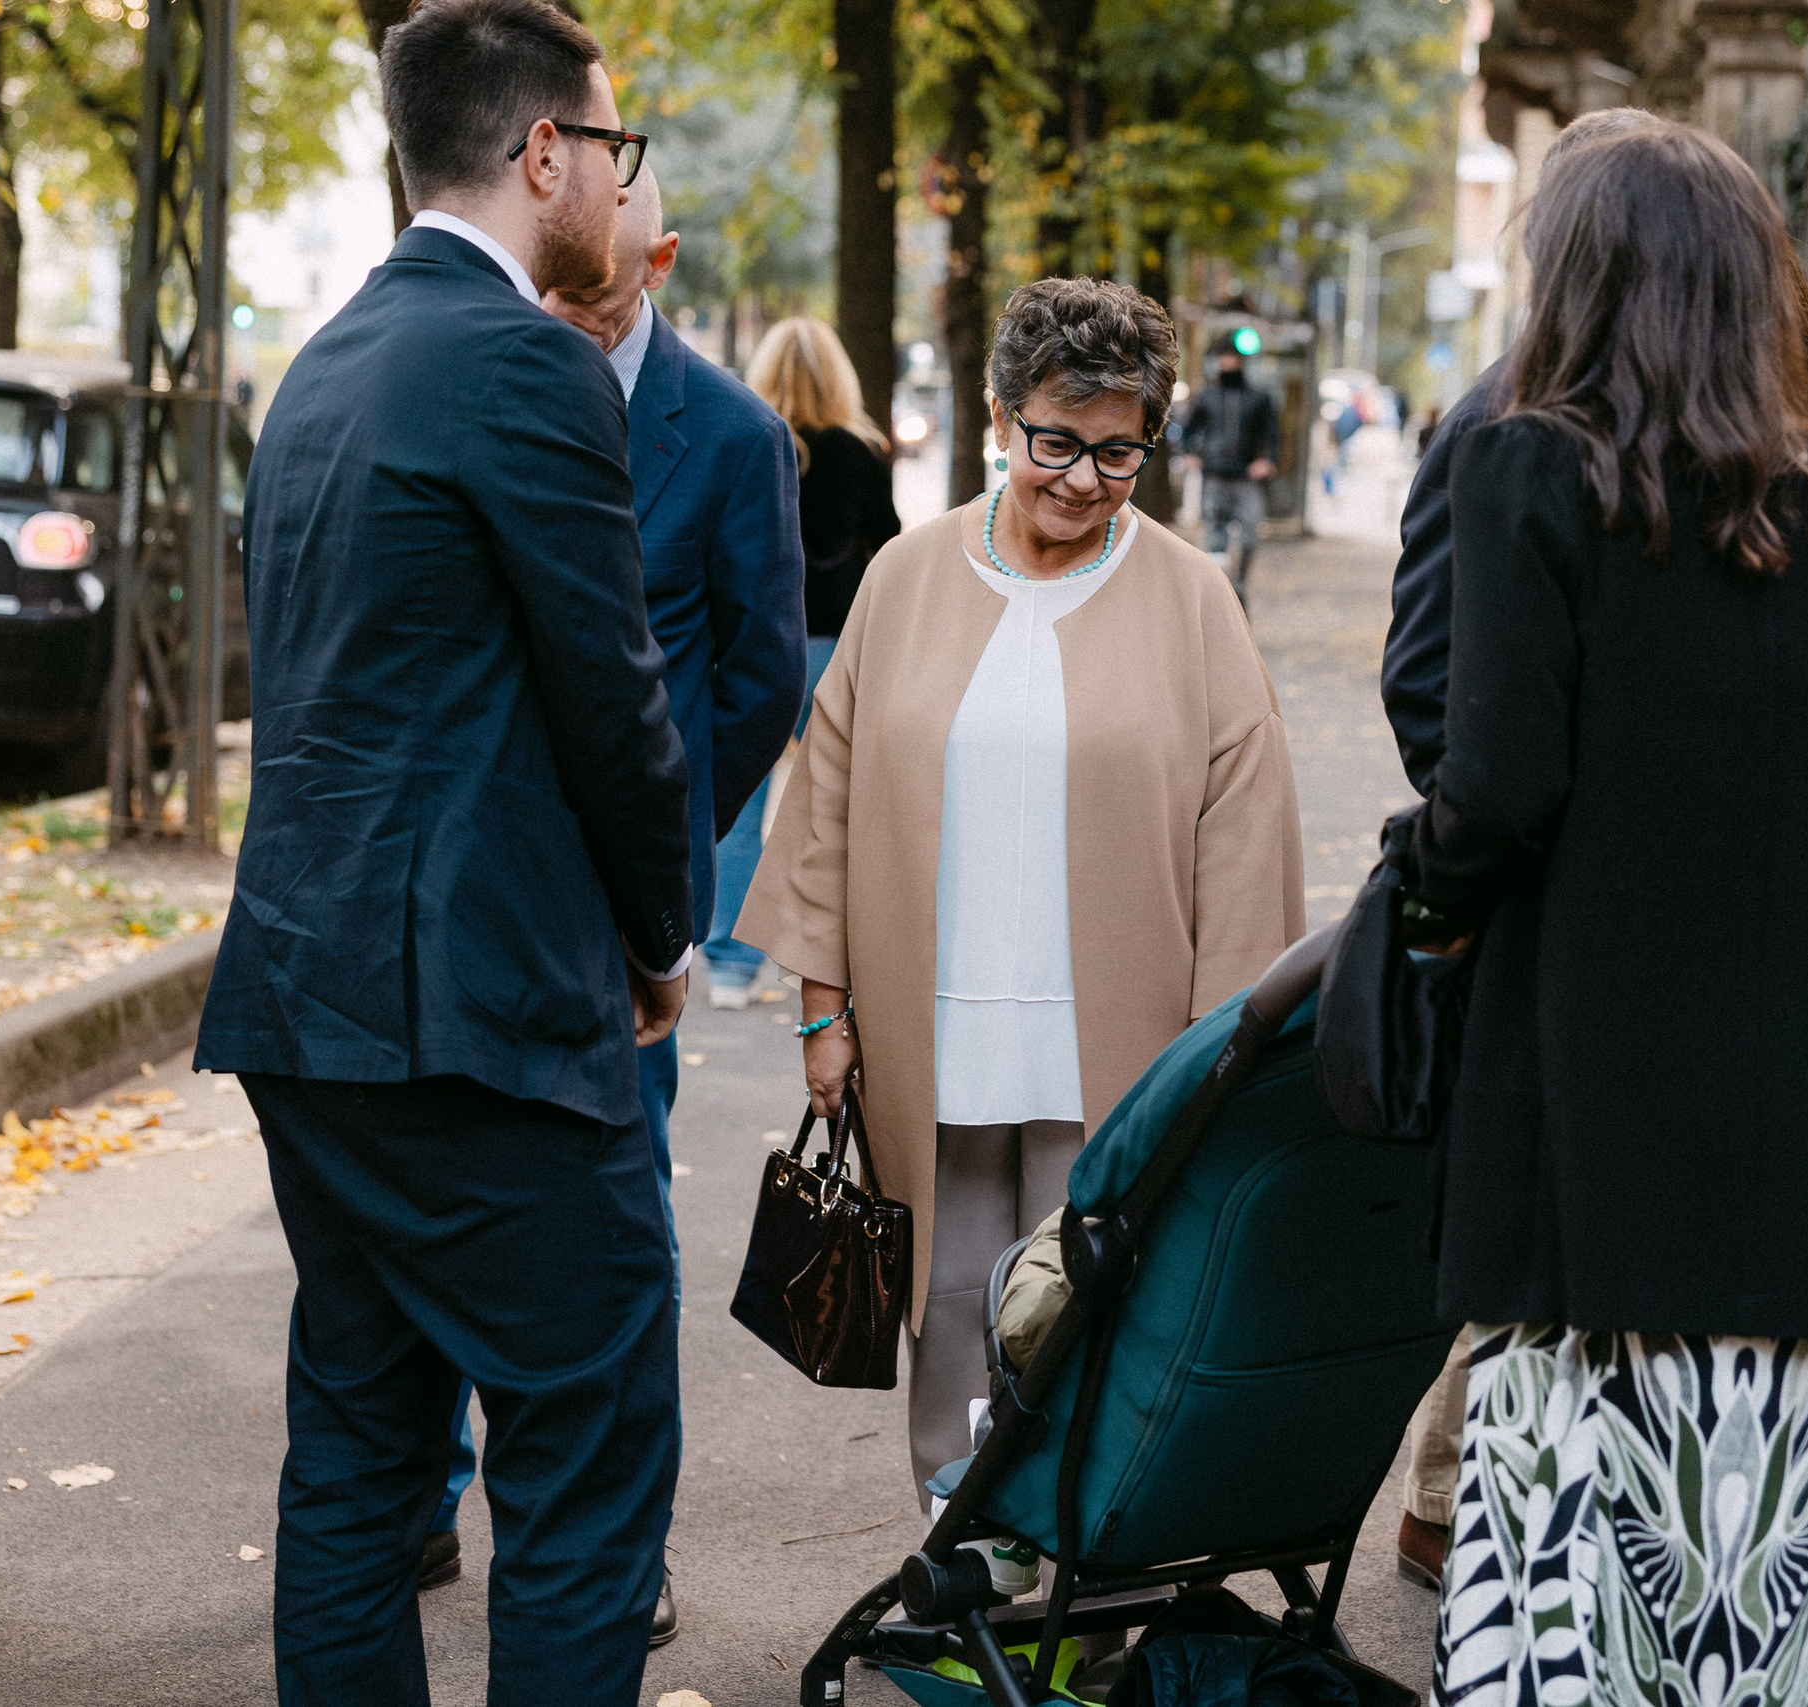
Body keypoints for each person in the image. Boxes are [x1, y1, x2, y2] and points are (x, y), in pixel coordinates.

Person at [1401, 123, 1808, 1705]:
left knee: (1578, 1599)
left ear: (1584, 278)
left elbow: (1498, 781)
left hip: (1595, 1123)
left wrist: (1426, 879)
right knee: (1756, 1601)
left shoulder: (1538, 465)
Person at [193, 1, 691, 1698]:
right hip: (476, 1014)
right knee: (590, 1445)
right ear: (543, 151)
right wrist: (661, 940)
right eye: (615, 148)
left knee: (356, 1444)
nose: (621, 183)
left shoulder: (324, 361)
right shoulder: (524, 361)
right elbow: (613, 698)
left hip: (307, 999)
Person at [734, 278, 1305, 1511]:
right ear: (999, 420)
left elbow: (1244, 841)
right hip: (925, 1020)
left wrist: (1222, 1059)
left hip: (1117, 1035)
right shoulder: (906, 576)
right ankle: (956, 1556)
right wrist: (822, 1012)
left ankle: (1065, 1569)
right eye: (1057, 440)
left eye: (1120, 449)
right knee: (947, 1302)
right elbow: (828, 796)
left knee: (1093, 1308)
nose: (1086, 478)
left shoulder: (1194, 599)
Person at [411, 165, 808, 1647]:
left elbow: (762, 677)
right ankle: (422, 1490)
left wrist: (667, 861)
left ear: (660, 250)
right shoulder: (482, 377)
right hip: (466, 887)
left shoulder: (732, 434)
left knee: (610, 1224)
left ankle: (603, 1547)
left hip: (612, 914)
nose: (569, 278)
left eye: (597, 261)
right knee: (438, 1188)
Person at [700, 316, 902, 1008]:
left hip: (748, 641)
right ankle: (833, 966)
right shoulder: (860, 449)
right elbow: (892, 543)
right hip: (835, 645)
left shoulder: (744, 438)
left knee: (740, 797)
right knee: (837, 806)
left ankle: (727, 964)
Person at [1174, 344, 1279, 599]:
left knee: (1250, 533)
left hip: (1244, 476)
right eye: (1223, 357)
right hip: (1214, 475)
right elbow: (1186, 430)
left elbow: (1273, 434)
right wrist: (1189, 455)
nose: (1227, 362)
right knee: (1215, 535)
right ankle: (1218, 588)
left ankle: (1239, 584)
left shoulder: (1258, 397)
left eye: (1232, 357)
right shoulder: (1207, 395)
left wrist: (1268, 461)